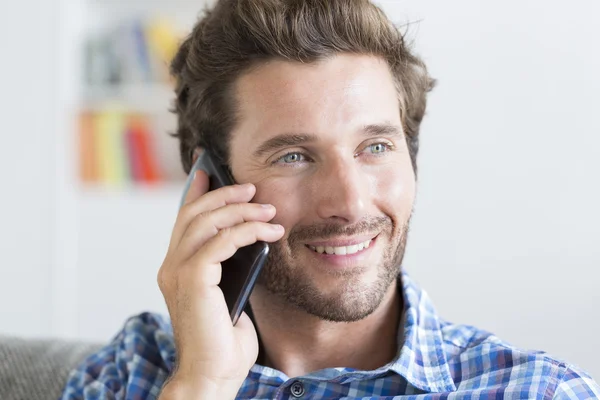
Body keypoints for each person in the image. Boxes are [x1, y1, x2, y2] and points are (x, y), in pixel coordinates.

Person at [61, 0, 599, 399]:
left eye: (376, 147)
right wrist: (203, 382)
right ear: (210, 181)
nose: (349, 201)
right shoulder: (129, 375)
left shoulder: (536, 390)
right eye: (294, 155)